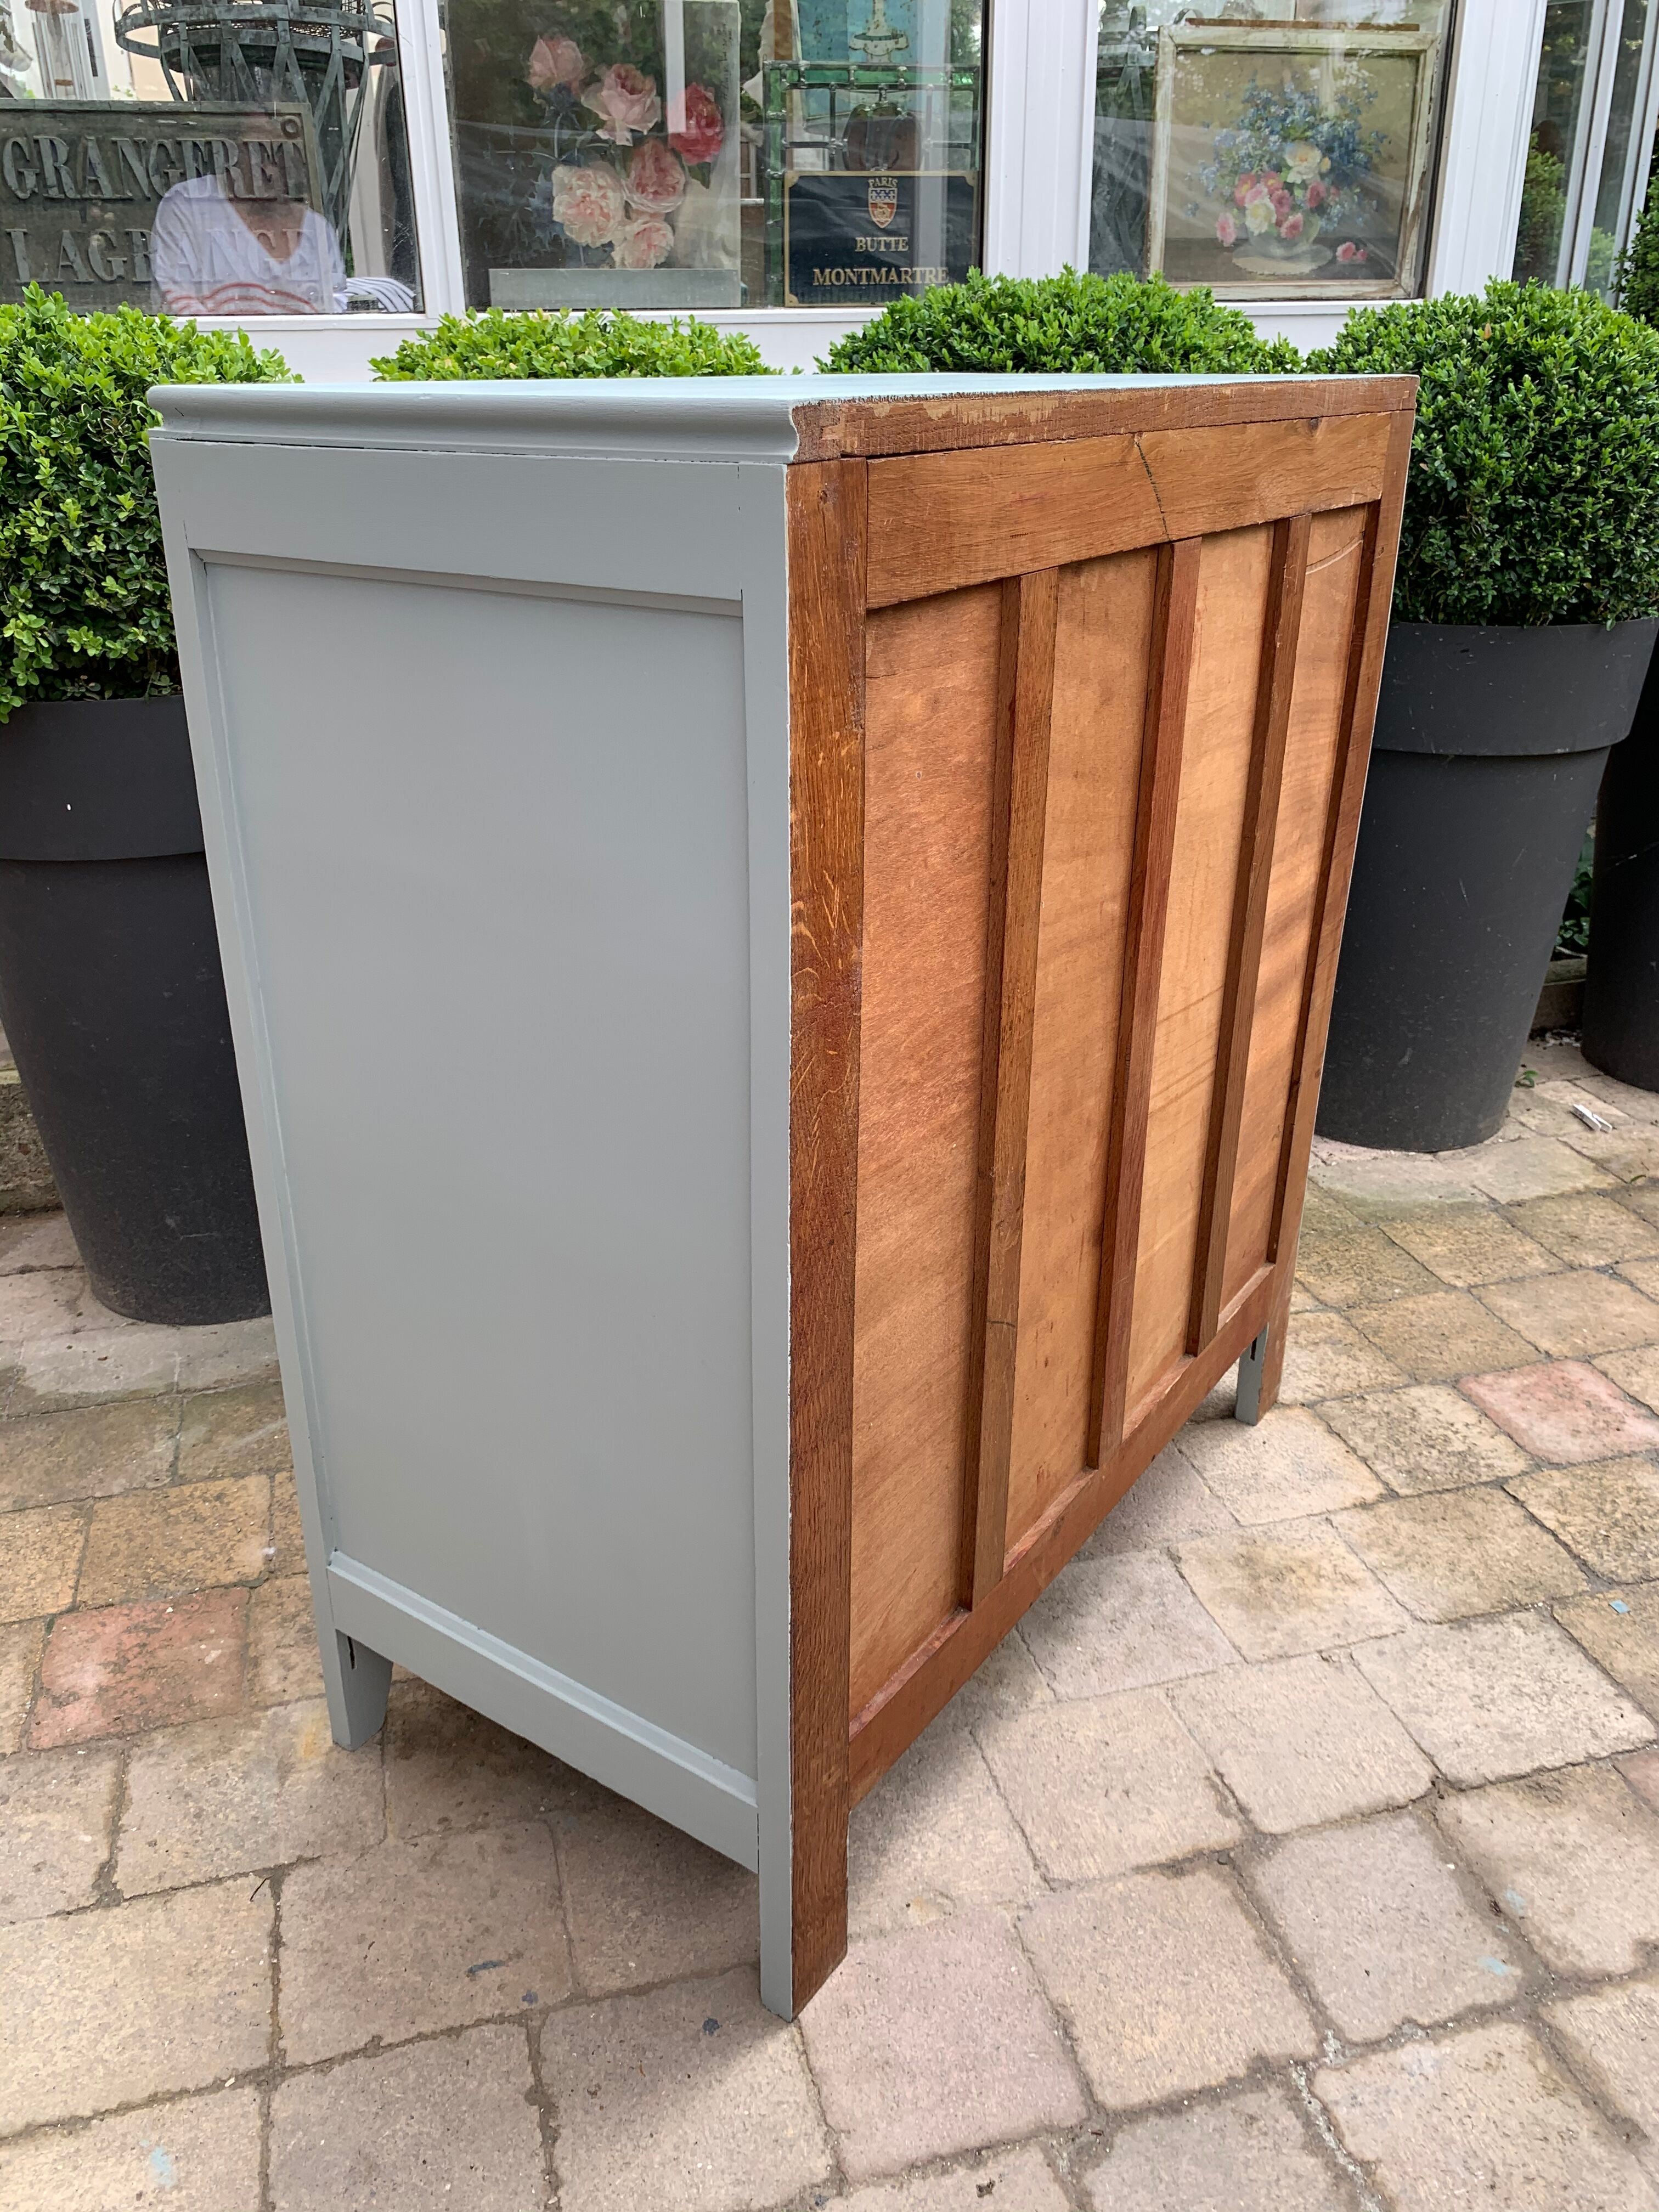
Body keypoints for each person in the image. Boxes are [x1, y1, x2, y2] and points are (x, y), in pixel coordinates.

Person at [151, 132, 346, 315]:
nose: (268, 169)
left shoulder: (318, 230)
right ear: (232, 152)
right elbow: (175, 304)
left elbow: (334, 313)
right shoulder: (188, 204)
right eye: (258, 152)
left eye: (280, 154)